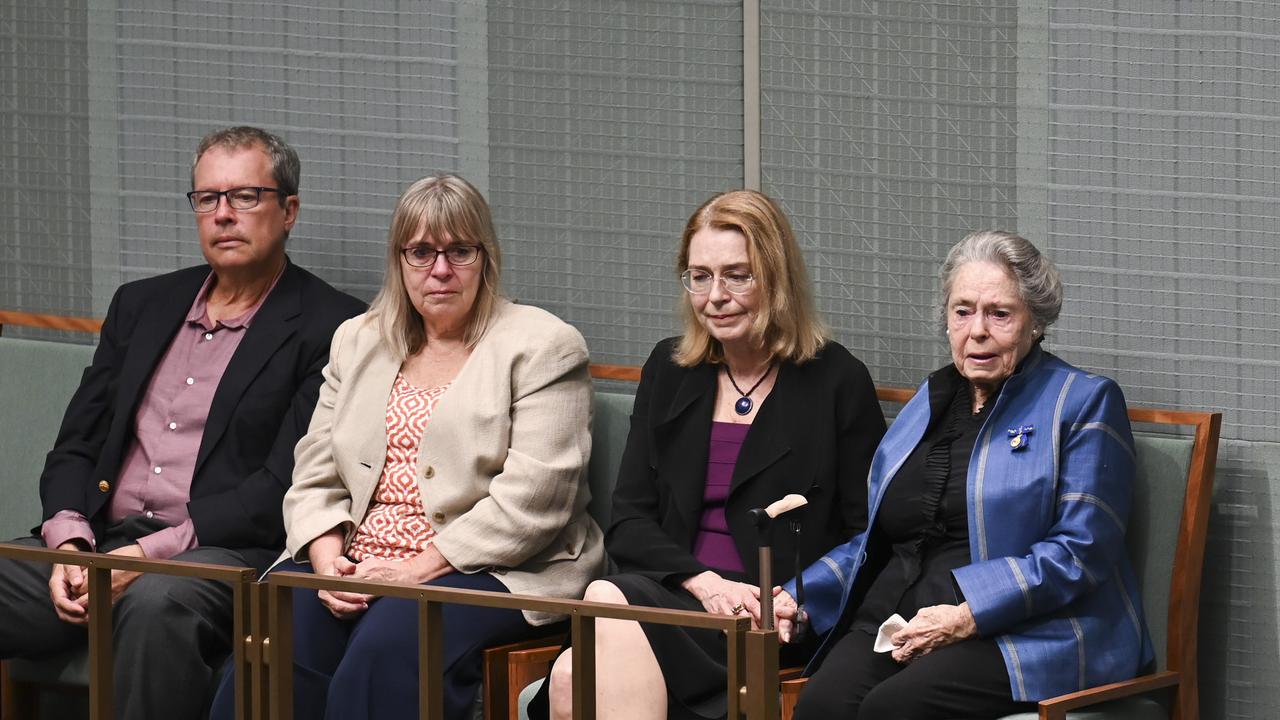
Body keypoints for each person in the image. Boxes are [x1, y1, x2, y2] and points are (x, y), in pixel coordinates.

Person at [0, 126, 365, 718]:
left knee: (155, 606)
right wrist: (68, 541)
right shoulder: (141, 305)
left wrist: (141, 559)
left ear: (289, 209)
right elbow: (75, 445)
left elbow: (280, 487)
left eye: (245, 197)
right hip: (99, 544)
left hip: (221, 554)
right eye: (207, 198)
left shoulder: (334, 326)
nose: (223, 215)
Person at [210, 173, 603, 720]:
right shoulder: (358, 338)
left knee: (388, 644)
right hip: (356, 562)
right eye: (421, 252)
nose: (439, 270)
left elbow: (536, 500)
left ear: (485, 258)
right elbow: (315, 474)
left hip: (491, 569)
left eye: (458, 251)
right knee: (276, 632)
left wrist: (415, 569)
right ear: (399, 261)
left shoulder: (543, 345)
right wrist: (328, 562)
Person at [775, 230, 1154, 720]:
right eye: (962, 311)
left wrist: (970, 614)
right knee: (820, 707)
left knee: (893, 709)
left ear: (1035, 322)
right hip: (903, 615)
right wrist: (798, 595)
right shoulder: (930, 400)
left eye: (999, 313)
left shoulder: (1082, 402)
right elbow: (881, 539)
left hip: (1031, 630)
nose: (977, 330)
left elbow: (1080, 551)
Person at [538, 189, 886, 720]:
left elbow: (867, 537)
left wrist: (796, 599)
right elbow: (630, 520)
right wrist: (703, 582)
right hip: (675, 589)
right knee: (592, 635)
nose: (715, 296)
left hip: (767, 614)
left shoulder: (837, 381)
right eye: (699, 276)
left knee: (576, 667)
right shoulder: (670, 369)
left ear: (776, 278)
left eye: (737, 275)